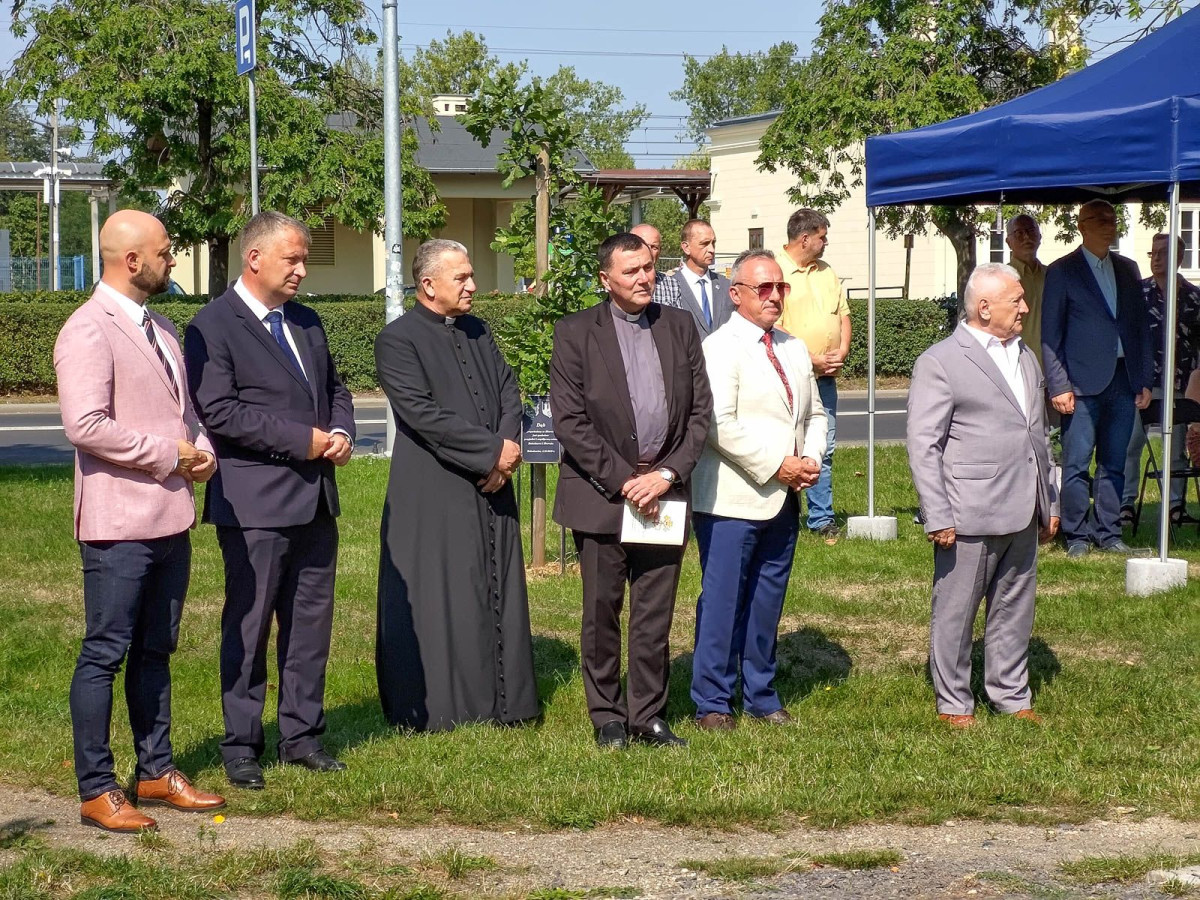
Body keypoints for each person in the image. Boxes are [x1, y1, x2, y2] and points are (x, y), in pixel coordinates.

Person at [55, 210, 225, 832]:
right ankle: (97, 788)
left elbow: (182, 413)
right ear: (133, 261)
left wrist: (200, 449)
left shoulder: (163, 330)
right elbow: (85, 425)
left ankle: (155, 771)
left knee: (157, 650)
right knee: (105, 652)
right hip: (117, 523)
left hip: (169, 518)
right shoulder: (87, 330)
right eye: (165, 251)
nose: (172, 259)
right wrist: (169, 455)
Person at [185, 211, 355, 790]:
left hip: (315, 503)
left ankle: (302, 737)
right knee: (250, 626)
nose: (304, 271)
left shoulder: (306, 322)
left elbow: (334, 388)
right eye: (294, 259)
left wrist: (342, 432)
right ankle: (240, 744)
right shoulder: (213, 325)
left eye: (304, 259)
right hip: (254, 504)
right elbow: (222, 411)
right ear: (254, 258)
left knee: (310, 627)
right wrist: (303, 441)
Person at [550, 232, 712, 749]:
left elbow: (701, 414)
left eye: (648, 268)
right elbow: (571, 422)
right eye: (631, 271)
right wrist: (624, 479)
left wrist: (665, 476)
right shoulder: (575, 333)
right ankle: (608, 716)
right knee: (602, 609)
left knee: (655, 611)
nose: (644, 278)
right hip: (603, 494)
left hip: (664, 491)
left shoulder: (680, 326)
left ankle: (649, 714)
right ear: (606, 279)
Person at [373, 240, 539, 731]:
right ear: (427, 286)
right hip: (435, 487)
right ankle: (448, 709)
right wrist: (490, 454)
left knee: (496, 588)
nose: (472, 286)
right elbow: (422, 413)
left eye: (470, 275)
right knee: (444, 594)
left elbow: (509, 390)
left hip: (495, 482)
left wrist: (506, 452)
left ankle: (507, 704)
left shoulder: (478, 330)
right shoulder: (398, 340)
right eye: (461, 278)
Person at [907, 263, 1059, 729]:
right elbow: (923, 443)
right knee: (956, 612)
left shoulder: (1026, 356)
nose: (1026, 308)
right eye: (1017, 300)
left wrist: (1049, 502)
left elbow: (1040, 435)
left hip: (1022, 507)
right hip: (966, 510)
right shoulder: (941, 360)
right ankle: (954, 702)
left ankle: (1011, 695)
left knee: (1015, 607)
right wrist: (937, 513)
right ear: (984, 306)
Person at [689, 249, 826, 730]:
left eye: (780, 287)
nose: (774, 296)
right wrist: (777, 466)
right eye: (762, 288)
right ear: (736, 294)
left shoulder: (791, 346)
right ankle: (712, 701)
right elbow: (715, 425)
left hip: (784, 498)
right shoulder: (720, 347)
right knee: (724, 600)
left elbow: (814, 414)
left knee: (767, 601)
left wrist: (810, 457)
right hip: (730, 498)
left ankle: (761, 695)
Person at [1042, 199, 1151, 557]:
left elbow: (1140, 329)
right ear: (1082, 226)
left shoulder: (1128, 269)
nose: (1109, 225)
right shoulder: (1063, 271)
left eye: (1112, 219)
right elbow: (1051, 334)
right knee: (1075, 463)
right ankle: (1076, 536)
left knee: (1114, 461)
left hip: (1123, 380)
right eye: (1100, 219)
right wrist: (1058, 385)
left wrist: (1144, 379)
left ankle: (1108, 533)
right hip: (1080, 383)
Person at [775, 208, 850, 543]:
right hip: (789, 378)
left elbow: (843, 315)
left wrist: (842, 350)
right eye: (822, 236)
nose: (826, 242)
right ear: (804, 238)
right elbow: (774, 327)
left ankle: (821, 518)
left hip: (826, 378)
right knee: (784, 447)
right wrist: (810, 359)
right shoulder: (775, 269)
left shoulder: (827, 272)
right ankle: (778, 515)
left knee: (824, 447)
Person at [1120, 233, 1200, 525]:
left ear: (1179, 258)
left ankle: (1175, 506)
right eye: (1152, 252)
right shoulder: (1136, 294)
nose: (1155, 258)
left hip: (1180, 383)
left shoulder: (1193, 296)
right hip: (1143, 382)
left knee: (1176, 449)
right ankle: (1125, 504)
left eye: (1163, 253)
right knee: (1132, 444)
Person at [669, 219, 733, 337]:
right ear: (686, 247)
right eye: (704, 244)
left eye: (713, 243)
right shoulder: (671, 287)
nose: (711, 250)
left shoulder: (726, 285)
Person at [1005, 213, 1047, 370]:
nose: (1027, 237)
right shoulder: (1002, 277)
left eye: (1031, 231)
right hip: (1015, 365)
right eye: (1019, 233)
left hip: (1052, 368)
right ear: (1008, 242)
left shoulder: (1053, 276)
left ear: (1040, 236)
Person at [630, 223, 682, 309]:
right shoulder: (618, 282)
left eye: (654, 247)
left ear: (659, 252)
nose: (648, 251)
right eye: (642, 245)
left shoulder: (672, 285)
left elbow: (678, 321)